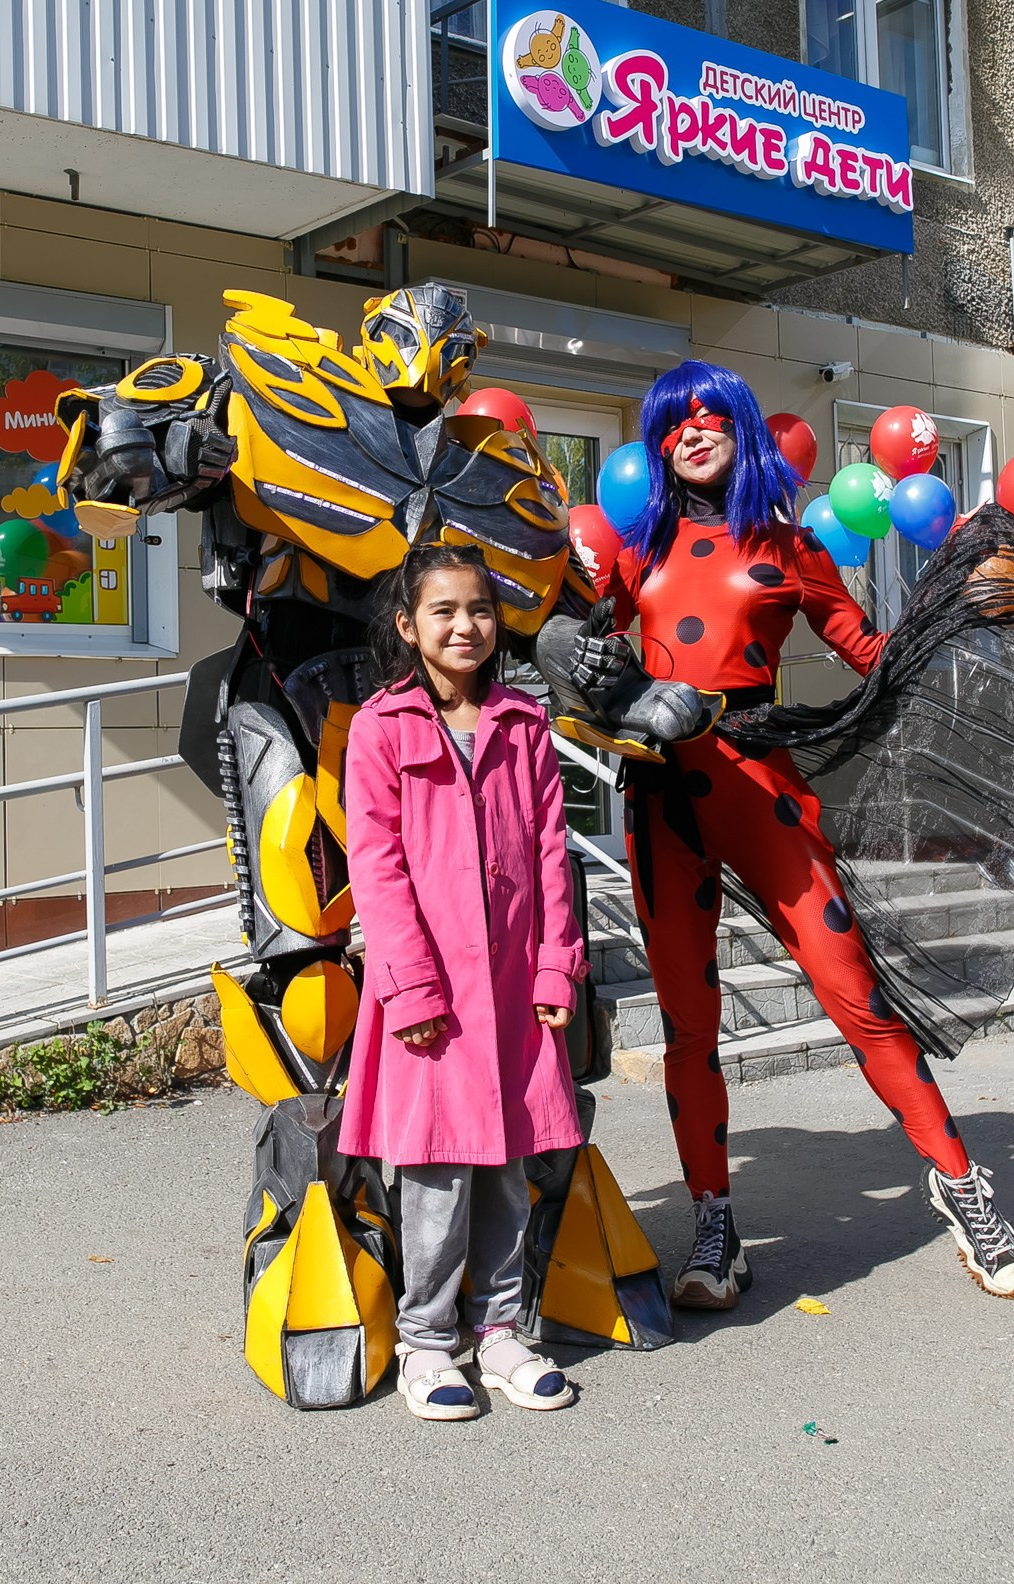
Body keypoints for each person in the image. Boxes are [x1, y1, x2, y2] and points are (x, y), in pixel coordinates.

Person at [598, 362, 1014, 1310]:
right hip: (660, 796)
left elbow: (873, 654)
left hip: (761, 780)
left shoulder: (790, 548)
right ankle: (715, 1223)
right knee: (687, 1026)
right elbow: (583, 659)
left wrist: (956, 625)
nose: (692, 435)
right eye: (673, 425)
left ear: (741, 430)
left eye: (711, 417)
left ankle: (963, 1188)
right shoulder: (637, 552)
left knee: (853, 993)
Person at [339, 542, 587, 1420]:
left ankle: (502, 1333)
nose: (465, 626)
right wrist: (408, 990)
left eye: (479, 609)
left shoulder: (524, 724)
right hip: (431, 993)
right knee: (438, 1169)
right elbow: (375, 867)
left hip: (516, 984)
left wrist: (557, 964)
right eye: (442, 610)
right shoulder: (380, 728)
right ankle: (427, 1342)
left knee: (507, 1163)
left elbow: (552, 856)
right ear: (409, 626)